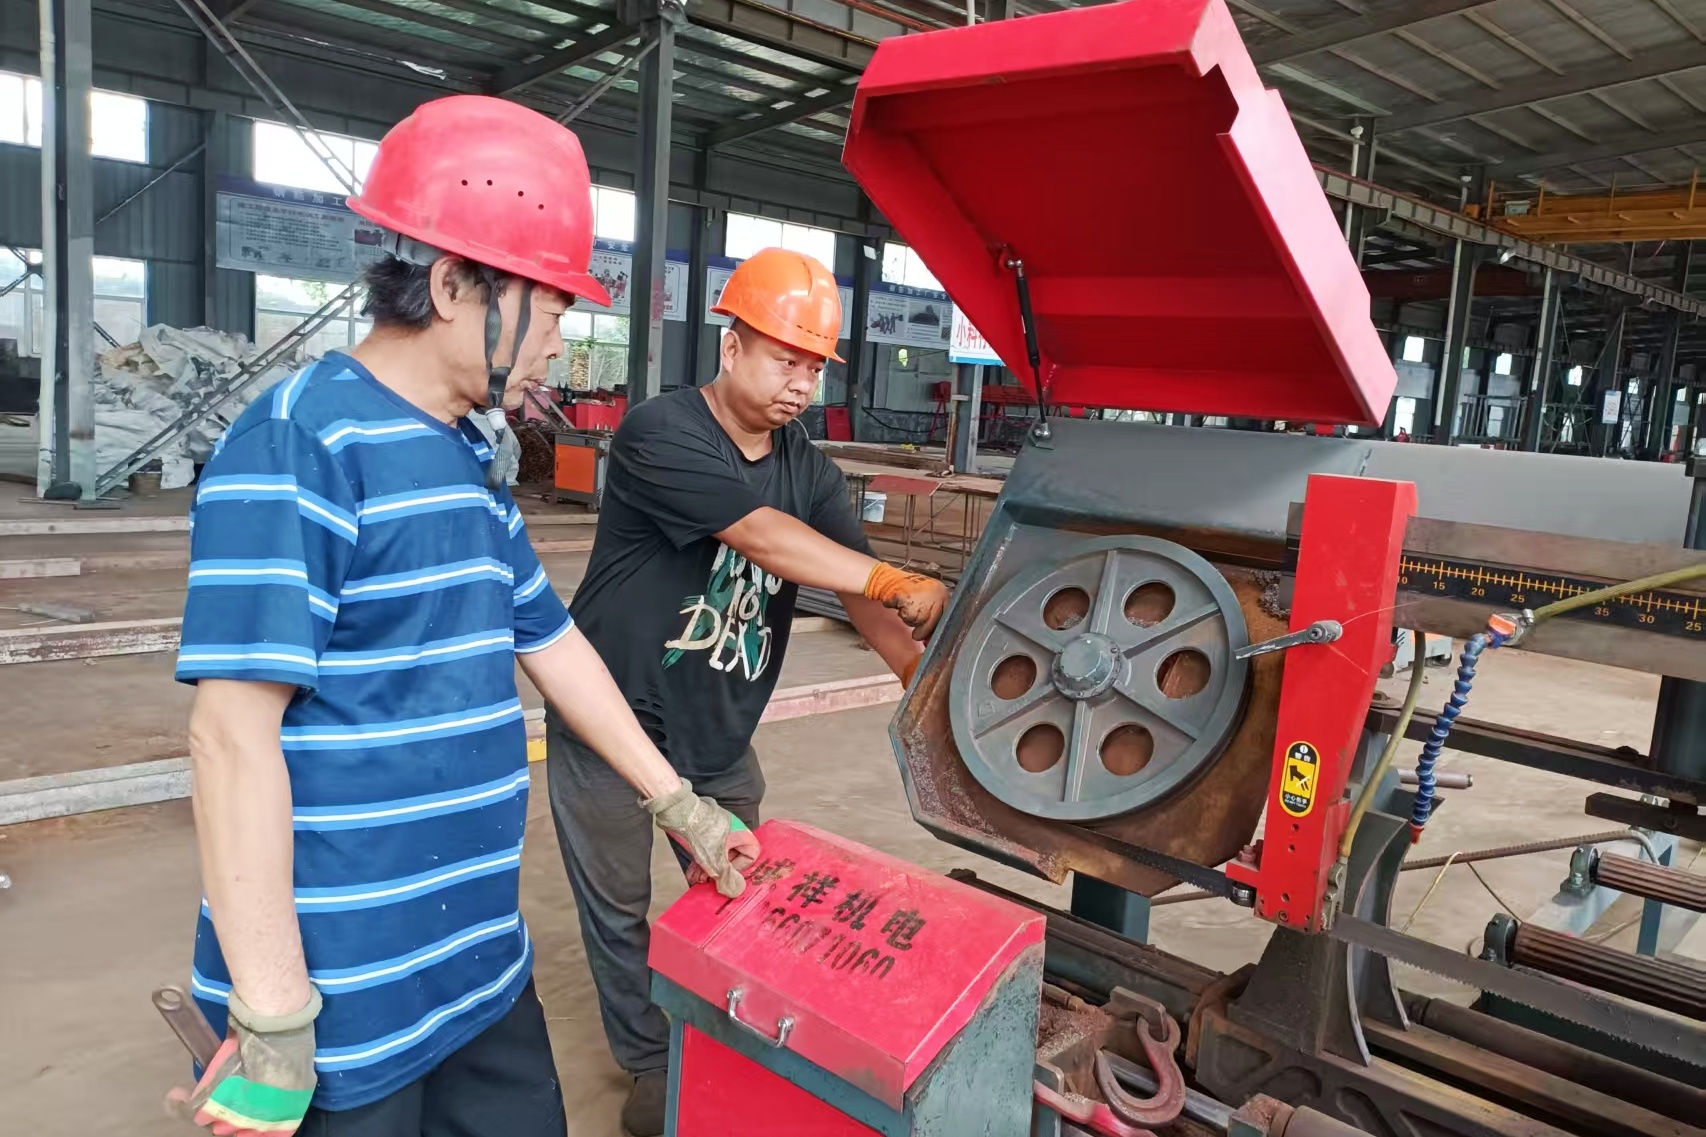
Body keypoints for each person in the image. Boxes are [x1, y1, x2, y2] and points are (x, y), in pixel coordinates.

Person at [167, 95, 756, 1137]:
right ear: (452, 286)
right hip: (342, 992)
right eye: (552, 310)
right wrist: (272, 1011)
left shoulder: (467, 457)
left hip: (476, 963)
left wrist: (679, 805)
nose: (559, 345)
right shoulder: (300, 444)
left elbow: (551, 641)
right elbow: (230, 733)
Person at [544, 246, 950, 1136]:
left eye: (813, 366)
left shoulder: (813, 471)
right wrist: (891, 581)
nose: (799, 382)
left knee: (742, 893)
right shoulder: (660, 432)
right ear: (732, 347)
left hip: (718, 733)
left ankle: (731, 1040)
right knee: (620, 911)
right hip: (610, 722)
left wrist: (922, 683)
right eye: (783, 358)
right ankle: (650, 1065)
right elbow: (761, 535)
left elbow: (857, 589)